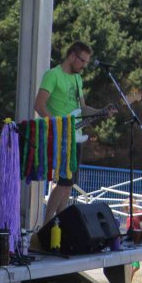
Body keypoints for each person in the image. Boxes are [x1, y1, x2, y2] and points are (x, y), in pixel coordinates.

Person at [34, 40, 100, 223]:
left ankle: (59, 225)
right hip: (59, 135)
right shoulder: (53, 75)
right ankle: (46, 225)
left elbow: (83, 108)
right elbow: (39, 105)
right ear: (72, 56)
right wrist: (58, 126)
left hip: (75, 135)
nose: (84, 66)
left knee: (69, 184)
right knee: (64, 182)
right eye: (82, 61)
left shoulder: (77, 79)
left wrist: (102, 111)